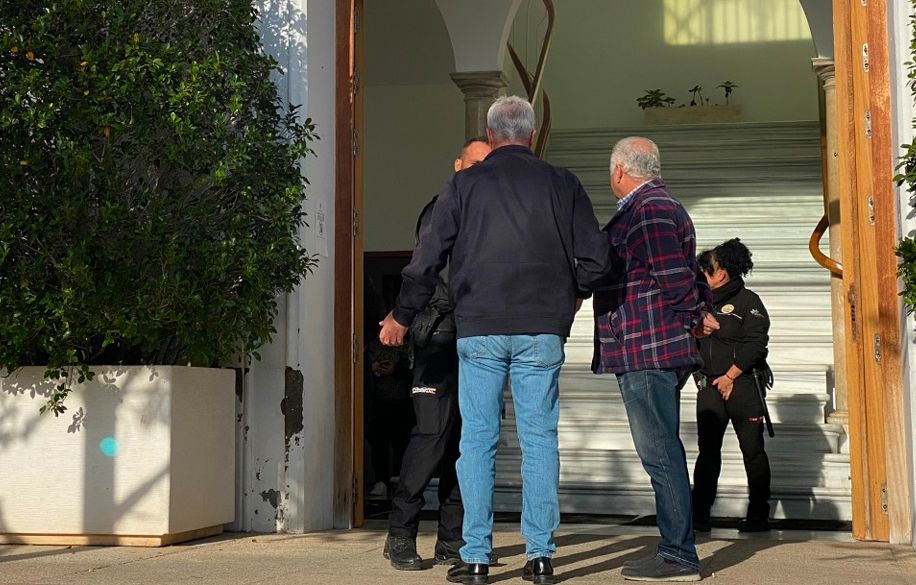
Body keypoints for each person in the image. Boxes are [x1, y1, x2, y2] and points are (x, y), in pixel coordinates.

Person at [380, 96, 609, 585]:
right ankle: (541, 557)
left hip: (479, 328)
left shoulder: (464, 184)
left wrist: (402, 315)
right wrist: (572, 297)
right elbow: (595, 259)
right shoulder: (562, 183)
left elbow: (426, 259)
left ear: (491, 134)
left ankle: (478, 556)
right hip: (541, 329)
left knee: (477, 441)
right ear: (530, 133)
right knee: (539, 440)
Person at [591, 136, 717, 582]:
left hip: (648, 346)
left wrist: (695, 312)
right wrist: (696, 309)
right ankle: (675, 548)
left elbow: (671, 272)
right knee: (661, 449)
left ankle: (679, 554)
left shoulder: (648, 209)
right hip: (650, 344)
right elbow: (682, 271)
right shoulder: (658, 206)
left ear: (620, 171)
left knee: (660, 451)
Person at [383, 136, 491, 571]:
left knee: (467, 444)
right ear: (458, 164)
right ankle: (400, 536)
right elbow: (426, 270)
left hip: (478, 338)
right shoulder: (442, 206)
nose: (481, 171)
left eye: (489, 164)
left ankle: (452, 540)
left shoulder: (488, 214)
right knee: (430, 439)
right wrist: (403, 317)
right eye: (475, 163)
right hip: (440, 338)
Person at [692, 238, 772, 533]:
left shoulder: (749, 301)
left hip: (743, 387)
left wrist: (731, 376)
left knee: (753, 451)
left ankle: (758, 516)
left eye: (706, 271)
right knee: (708, 452)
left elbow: (757, 344)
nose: (701, 275)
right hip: (710, 388)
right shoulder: (698, 302)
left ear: (721, 273)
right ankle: (698, 515)